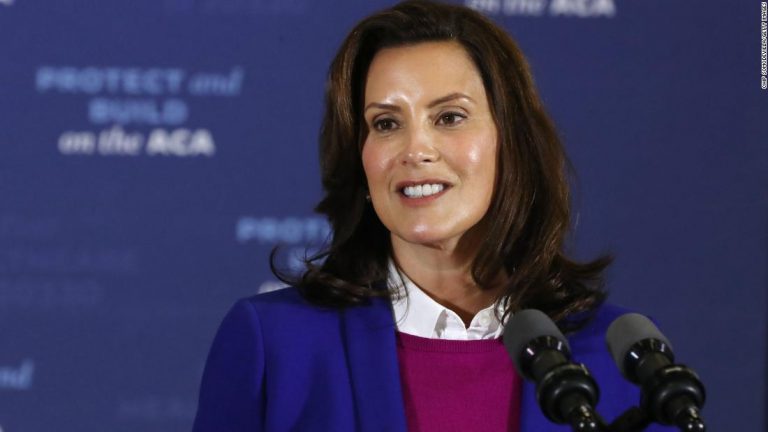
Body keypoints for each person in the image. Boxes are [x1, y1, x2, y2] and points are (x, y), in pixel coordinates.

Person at [193, 1, 670, 431]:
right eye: (386, 123)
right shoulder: (275, 345)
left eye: (449, 117)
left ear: (511, 141)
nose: (415, 149)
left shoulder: (622, 359)